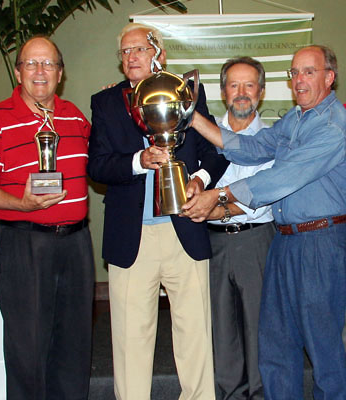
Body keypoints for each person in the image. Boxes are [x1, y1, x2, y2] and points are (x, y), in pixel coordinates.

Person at [183, 45, 346, 399]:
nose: (299, 81)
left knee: (323, 347)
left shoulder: (333, 126)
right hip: (284, 240)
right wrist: (192, 117)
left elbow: (280, 179)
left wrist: (218, 196)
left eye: (309, 72)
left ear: (329, 77)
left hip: (320, 243)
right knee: (276, 344)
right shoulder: (295, 118)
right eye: (295, 73)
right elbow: (253, 148)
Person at [87, 23, 228, 400]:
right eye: (125, 52)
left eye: (139, 49)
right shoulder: (104, 103)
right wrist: (138, 161)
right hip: (131, 237)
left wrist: (198, 180)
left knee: (195, 332)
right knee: (130, 338)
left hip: (185, 228)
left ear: (157, 54)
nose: (131, 57)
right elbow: (97, 166)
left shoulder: (187, 94)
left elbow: (216, 153)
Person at [0, 36, 94, 399]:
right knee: (28, 348)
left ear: (60, 72)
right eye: (31, 63)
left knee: (75, 345)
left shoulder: (75, 116)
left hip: (76, 243)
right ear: (18, 70)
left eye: (48, 64)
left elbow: (102, 160)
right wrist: (21, 204)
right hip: (25, 243)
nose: (40, 72)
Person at [206, 57, 275, 400]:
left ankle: (260, 394)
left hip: (256, 241)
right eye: (234, 85)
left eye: (249, 85)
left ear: (261, 92)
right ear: (223, 92)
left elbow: (262, 196)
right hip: (212, 245)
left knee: (259, 327)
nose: (242, 93)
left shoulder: (273, 138)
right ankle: (229, 395)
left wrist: (212, 206)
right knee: (222, 329)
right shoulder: (204, 135)